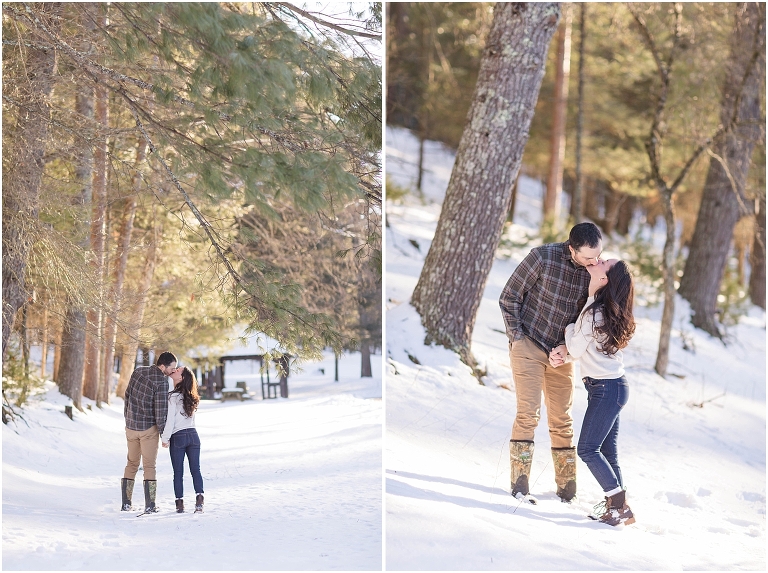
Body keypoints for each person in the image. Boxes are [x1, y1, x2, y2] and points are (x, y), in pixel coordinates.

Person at [499, 222, 603, 503]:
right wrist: (517, 338)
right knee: (528, 414)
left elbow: (589, 319)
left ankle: (567, 491)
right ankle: (519, 487)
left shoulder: (597, 272)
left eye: (598, 256)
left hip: (562, 354)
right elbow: (509, 296)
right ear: (572, 249)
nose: (594, 262)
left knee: (562, 420)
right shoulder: (541, 257)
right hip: (529, 343)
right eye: (587, 258)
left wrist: (567, 350)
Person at [563, 258, 636, 526]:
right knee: (607, 451)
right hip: (613, 387)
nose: (600, 260)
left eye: (605, 262)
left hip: (606, 389)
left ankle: (618, 505)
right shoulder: (606, 310)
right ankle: (617, 508)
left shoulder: (595, 312)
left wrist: (569, 329)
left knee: (587, 449)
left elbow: (575, 347)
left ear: (606, 279)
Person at [121, 351, 177, 513]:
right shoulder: (162, 382)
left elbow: (127, 396)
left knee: (131, 463)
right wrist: (163, 435)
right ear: (162, 366)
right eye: (171, 368)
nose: (173, 371)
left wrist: (127, 419)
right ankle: (150, 505)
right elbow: (160, 412)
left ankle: (126, 503)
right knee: (149, 466)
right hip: (147, 430)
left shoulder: (138, 371)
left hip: (131, 428)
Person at [161, 366, 205, 513]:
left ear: (182, 378)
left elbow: (170, 421)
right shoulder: (192, 396)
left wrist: (165, 438)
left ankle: (179, 504)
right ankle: (199, 499)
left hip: (178, 436)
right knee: (195, 470)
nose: (175, 370)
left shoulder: (172, 396)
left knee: (178, 472)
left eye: (178, 370)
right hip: (193, 435)